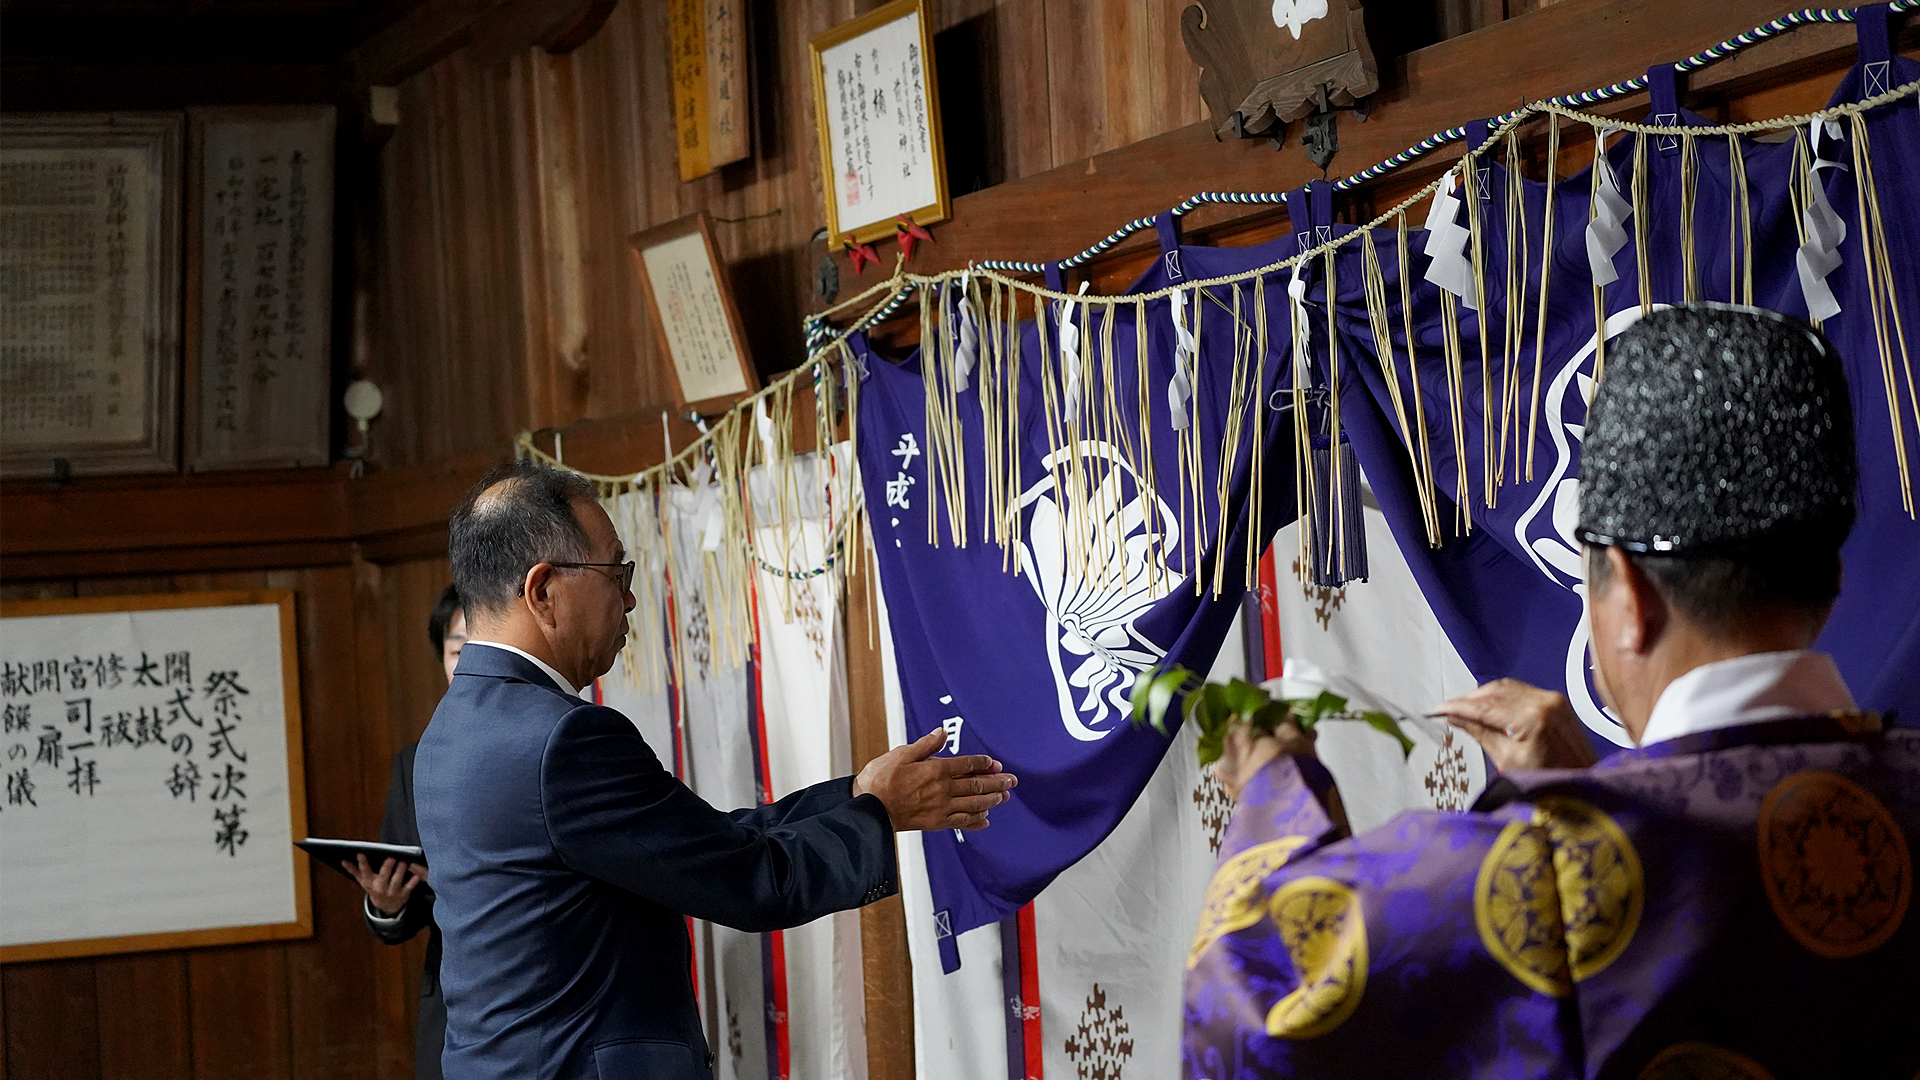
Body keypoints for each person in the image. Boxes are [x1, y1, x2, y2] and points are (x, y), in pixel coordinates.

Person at [1186, 306, 1918, 1078]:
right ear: (1830, 585)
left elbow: (1250, 1020)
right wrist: (1584, 795)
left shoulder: (1543, 871)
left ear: (1628, 598)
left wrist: (1274, 792)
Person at [415, 461, 1018, 1079]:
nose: (628, 598)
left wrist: (855, 794)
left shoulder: (448, 731)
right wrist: (878, 814)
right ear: (543, 591)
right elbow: (746, 878)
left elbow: (696, 843)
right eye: (617, 572)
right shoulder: (562, 736)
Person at [348, 584, 466, 1080]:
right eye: (457, 650)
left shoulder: (551, 744)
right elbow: (407, 905)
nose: (467, 663)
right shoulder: (414, 765)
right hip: (453, 1004)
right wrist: (387, 905)